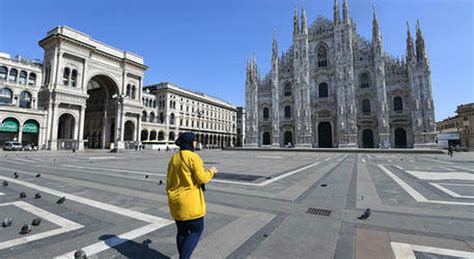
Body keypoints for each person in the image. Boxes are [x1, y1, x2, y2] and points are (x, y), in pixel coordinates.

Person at [166, 132, 218, 259]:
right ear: (190, 142)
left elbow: (169, 180)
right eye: (194, 140)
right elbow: (202, 179)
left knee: (182, 233)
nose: (196, 143)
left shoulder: (174, 158)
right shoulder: (193, 157)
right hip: (191, 203)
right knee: (196, 232)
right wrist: (212, 171)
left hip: (176, 202)